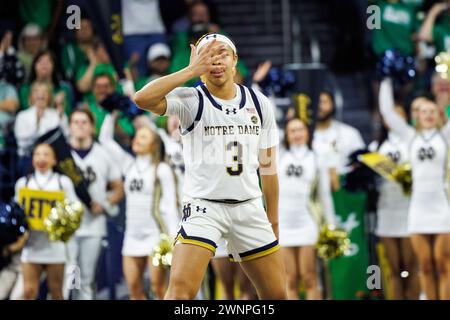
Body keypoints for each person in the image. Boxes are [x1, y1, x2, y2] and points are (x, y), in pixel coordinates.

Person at [134, 33, 287, 300]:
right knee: (180, 294)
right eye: (208, 56)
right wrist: (189, 71)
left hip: (249, 206)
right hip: (205, 208)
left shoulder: (260, 103)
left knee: (276, 296)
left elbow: (269, 169)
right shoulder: (191, 99)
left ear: (234, 60)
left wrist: (272, 217)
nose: (216, 61)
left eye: (222, 54)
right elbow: (141, 99)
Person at [379, 77, 450, 300]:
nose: (428, 115)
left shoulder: (445, 136)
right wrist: (386, 79)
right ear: (416, 116)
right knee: (425, 266)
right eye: (423, 111)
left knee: (443, 265)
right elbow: (388, 112)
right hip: (418, 209)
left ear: (439, 114)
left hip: (441, 208)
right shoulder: (410, 137)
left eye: (432, 111)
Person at [99, 112, 179, 300]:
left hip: (155, 236)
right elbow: (104, 139)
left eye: (144, 137)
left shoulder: (162, 169)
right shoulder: (129, 165)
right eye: (137, 136)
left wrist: (174, 240)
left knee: (159, 290)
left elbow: (170, 206)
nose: (137, 139)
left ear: (154, 144)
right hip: (132, 236)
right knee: (134, 290)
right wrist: (112, 115)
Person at [65, 108, 124, 300]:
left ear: (92, 127)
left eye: (84, 122)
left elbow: (118, 188)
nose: (80, 126)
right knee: (67, 278)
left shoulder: (102, 154)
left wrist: (105, 204)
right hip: (65, 228)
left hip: (93, 226)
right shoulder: (61, 154)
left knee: (86, 278)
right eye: (75, 122)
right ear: (69, 127)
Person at [279, 118, 336, 300]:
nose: (297, 134)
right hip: (284, 223)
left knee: (310, 276)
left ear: (308, 132)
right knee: (290, 279)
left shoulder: (317, 158)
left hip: (307, 222)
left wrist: (331, 225)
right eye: (292, 131)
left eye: (300, 129)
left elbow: (325, 194)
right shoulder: (279, 156)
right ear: (286, 135)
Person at [15, 143, 79, 299]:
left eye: (46, 154)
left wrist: (61, 223)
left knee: (56, 291)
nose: (41, 158)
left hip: (54, 245)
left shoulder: (62, 183)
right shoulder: (23, 183)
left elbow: (75, 209)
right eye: (37, 154)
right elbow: (17, 213)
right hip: (32, 245)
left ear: (55, 160)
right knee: (28, 291)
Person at [369, 105, 420, 300]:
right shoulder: (376, 148)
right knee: (393, 268)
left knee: (410, 267)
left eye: (399, 114)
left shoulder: (412, 143)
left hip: (409, 210)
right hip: (386, 211)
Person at [14, 81, 68, 174]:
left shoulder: (55, 114)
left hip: (55, 158)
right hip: (30, 157)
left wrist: (62, 116)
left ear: (49, 96)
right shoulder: (22, 116)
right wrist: (37, 124)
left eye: (45, 92)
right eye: (37, 92)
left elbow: (67, 136)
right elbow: (22, 144)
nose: (41, 95)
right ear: (31, 96)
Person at [312, 91, 365, 179]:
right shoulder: (302, 135)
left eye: (324, 102)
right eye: (316, 102)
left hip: (343, 186)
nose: (319, 106)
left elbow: (361, 160)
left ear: (333, 105)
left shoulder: (349, 133)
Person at [18, 50, 73, 116]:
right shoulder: (26, 88)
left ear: (53, 65)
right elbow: (26, 110)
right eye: (40, 61)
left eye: (48, 61)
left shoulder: (64, 88)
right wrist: (53, 102)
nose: (44, 64)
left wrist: (59, 105)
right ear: (34, 66)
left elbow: (68, 113)